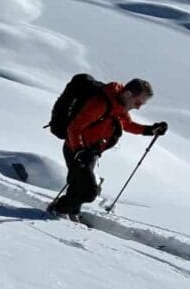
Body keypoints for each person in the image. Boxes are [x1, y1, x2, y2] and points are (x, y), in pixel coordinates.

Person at [47, 77, 166, 220]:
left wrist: (150, 130)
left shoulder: (118, 106)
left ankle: (71, 213)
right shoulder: (101, 104)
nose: (138, 107)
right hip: (76, 150)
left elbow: (127, 125)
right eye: (138, 102)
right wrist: (79, 150)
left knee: (77, 184)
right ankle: (58, 209)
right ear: (128, 94)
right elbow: (74, 127)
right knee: (89, 192)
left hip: (90, 152)